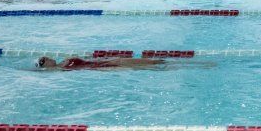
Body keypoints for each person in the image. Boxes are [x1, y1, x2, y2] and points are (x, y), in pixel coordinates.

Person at [35, 55, 165, 70]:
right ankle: (162, 65)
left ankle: (160, 63)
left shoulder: (63, 62)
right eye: (43, 60)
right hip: (101, 67)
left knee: (124, 61)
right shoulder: (60, 69)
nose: (46, 57)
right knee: (127, 64)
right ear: (44, 66)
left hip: (101, 62)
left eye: (44, 57)